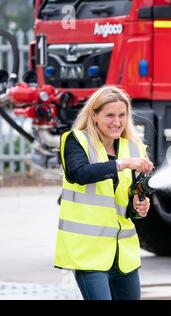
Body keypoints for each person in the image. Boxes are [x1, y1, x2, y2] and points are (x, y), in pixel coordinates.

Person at [54, 86, 154, 300]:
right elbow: (79, 174)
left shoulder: (134, 148)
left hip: (123, 254)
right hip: (88, 252)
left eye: (122, 115)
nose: (117, 122)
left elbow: (127, 202)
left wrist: (139, 206)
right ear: (94, 115)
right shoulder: (76, 141)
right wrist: (122, 164)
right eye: (109, 115)